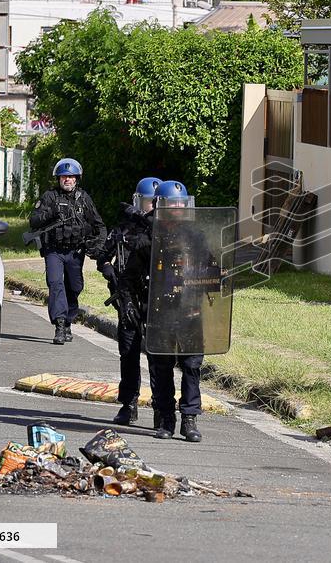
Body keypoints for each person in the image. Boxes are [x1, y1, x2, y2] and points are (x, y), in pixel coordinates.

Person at [96, 177, 161, 425]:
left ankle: (160, 407)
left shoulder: (165, 230)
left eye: (154, 203)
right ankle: (129, 403)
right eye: (146, 202)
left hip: (156, 300)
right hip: (128, 297)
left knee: (158, 356)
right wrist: (108, 270)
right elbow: (103, 256)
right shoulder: (123, 228)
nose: (150, 207)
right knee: (128, 352)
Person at [146, 180, 205, 442]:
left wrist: (217, 275)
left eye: (182, 203)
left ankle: (189, 418)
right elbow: (135, 272)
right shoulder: (149, 233)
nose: (179, 207)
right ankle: (166, 417)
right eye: (173, 203)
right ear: (162, 205)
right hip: (161, 311)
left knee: (192, 365)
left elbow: (211, 264)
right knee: (162, 366)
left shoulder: (196, 235)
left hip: (190, 310)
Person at [29, 158, 106, 345]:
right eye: (64, 177)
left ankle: (69, 319)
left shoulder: (84, 199)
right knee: (55, 284)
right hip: (54, 250)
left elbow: (99, 225)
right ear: (58, 179)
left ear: (76, 179)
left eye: (71, 177)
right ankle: (60, 325)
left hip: (75, 252)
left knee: (74, 287)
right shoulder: (49, 197)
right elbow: (34, 221)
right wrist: (51, 213)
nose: (67, 180)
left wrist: (98, 247)